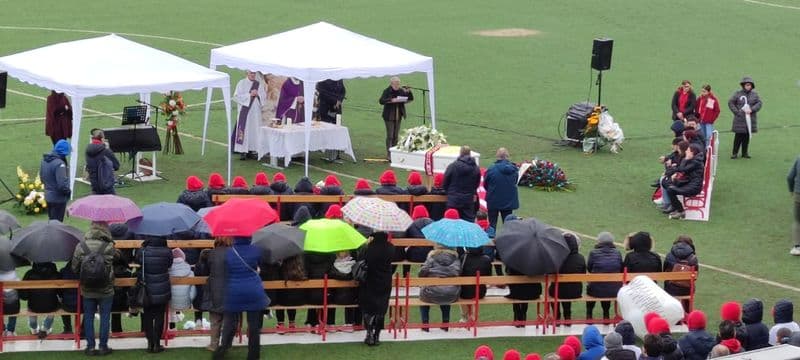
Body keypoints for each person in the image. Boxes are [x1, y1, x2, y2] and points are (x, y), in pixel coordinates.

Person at [214, 237, 269, 360]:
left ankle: (222, 350)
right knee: (254, 326)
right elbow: (262, 266)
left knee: (230, 324)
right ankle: (253, 356)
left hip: (234, 290)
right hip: (253, 290)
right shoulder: (256, 250)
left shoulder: (228, 252)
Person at [71, 221, 116, 356]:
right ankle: (103, 346)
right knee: (105, 317)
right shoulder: (109, 246)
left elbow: (74, 268)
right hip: (106, 288)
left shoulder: (81, 246)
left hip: (87, 288)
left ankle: (90, 347)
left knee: (89, 317)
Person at [135, 235, 173, 353]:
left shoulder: (143, 251)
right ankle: (156, 343)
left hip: (147, 287)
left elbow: (137, 261)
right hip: (162, 287)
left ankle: (150, 343)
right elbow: (169, 264)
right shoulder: (167, 251)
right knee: (159, 316)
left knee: (147, 316)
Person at [358, 231, 394, 346]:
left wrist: (367, 244)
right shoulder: (391, 248)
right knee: (381, 309)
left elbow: (361, 258)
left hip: (369, 280)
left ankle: (369, 334)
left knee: (368, 308)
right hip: (385, 281)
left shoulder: (368, 248)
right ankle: (377, 336)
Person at [197, 237, 231, 351]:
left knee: (215, 320)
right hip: (230, 288)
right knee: (228, 320)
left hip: (214, 288)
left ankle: (214, 344)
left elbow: (205, 271)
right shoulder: (233, 253)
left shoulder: (211, 254)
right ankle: (226, 344)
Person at [418, 245, 461, 332]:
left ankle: (425, 324)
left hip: (431, 293)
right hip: (451, 293)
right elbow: (459, 272)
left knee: (424, 295)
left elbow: (422, 273)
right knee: (446, 292)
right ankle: (445, 324)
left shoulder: (431, 257)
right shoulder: (456, 259)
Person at [549, 233, 586, 323]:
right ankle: (567, 316)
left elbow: (550, 274)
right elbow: (583, 274)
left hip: (557, 292)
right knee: (567, 287)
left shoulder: (556, 257)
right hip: (575, 292)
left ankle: (556, 316)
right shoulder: (580, 258)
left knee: (555, 289)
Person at [586, 231, 623, 321]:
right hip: (614, 290)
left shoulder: (593, 253)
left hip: (596, 289)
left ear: (599, 241)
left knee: (594, 286)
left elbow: (589, 269)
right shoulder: (617, 253)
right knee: (607, 286)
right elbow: (621, 269)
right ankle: (606, 314)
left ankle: (589, 314)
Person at [663, 143, 704, 219]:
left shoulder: (696, 162)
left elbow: (682, 169)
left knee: (670, 189)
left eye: (688, 150)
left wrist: (685, 159)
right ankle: (674, 206)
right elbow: (681, 169)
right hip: (688, 182)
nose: (686, 152)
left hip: (693, 187)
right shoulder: (695, 159)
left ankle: (680, 211)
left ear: (692, 152)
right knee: (666, 182)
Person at [19, 262, 59, 339]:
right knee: (56, 302)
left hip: (33, 306)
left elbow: (23, 295)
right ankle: (45, 328)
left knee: (33, 305)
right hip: (51, 306)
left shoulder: (29, 273)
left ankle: (34, 328)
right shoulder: (56, 274)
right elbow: (60, 292)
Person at [233, 71, 267, 160]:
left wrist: (258, 94)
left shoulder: (258, 84)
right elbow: (236, 97)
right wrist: (249, 95)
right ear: (246, 73)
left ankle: (252, 150)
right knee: (245, 130)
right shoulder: (241, 83)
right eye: (251, 73)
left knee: (254, 130)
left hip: (255, 111)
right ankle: (243, 151)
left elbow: (263, 97)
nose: (252, 75)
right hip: (245, 111)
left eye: (254, 73)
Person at [378, 76, 414, 158]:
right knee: (390, 136)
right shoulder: (387, 91)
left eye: (399, 83)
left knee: (395, 136)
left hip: (398, 116)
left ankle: (394, 152)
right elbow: (381, 101)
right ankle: (389, 154)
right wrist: (391, 100)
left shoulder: (401, 90)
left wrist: (409, 92)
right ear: (392, 83)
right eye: (396, 83)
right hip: (389, 116)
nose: (398, 85)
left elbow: (410, 98)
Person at [443, 146, 482, 222]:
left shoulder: (453, 166)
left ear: (460, 153)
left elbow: (445, 181)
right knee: (468, 224)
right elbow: (476, 184)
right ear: (470, 154)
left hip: (453, 200)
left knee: (451, 223)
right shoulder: (476, 168)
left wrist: (449, 192)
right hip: (468, 200)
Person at [484, 148, 520, 229]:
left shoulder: (491, 170)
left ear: (497, 156)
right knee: (508, 225)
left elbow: (485, 184)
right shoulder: (514, 170)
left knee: (492, 225)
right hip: (508, 200)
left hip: (493, 200)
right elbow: (515, 182)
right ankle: (507, 240)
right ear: (507, 156)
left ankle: (491, 240)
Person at [728, 76, 762, 159]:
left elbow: (759, 103)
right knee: (738, 137)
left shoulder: (755, 94)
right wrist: (737, 112)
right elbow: (730, 102)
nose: (748, 86)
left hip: (750, 120)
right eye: (747, 85)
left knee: (746, 137)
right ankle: (734, 153)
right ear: (743, 85)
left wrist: (752, 109)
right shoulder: (737, 93)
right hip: (739, 119)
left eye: (749, 85)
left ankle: (745, 153)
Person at [662, 235, 698, 312]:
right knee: (689, 283)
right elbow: (695, 277)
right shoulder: (693, 258)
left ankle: (671, 312)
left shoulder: (669, 255)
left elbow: (664, 272)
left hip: (670, 289)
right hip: (687, 290)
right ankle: (687, 312)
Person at [40, 139, 71, 221]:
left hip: (48, 196)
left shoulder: (44, 161)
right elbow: (62, 185)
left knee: (52, 222)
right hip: (58, 199)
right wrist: (68, 192)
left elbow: (42, 178)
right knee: (57, 225)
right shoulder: (59, 164)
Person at [459, 246, 492, 323]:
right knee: (475, 293)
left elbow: (460, 273)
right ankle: (474, 317)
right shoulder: (487, 259)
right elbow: (488, 276)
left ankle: (464, 317)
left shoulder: (464, 257)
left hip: (464, 292)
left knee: (463, 294)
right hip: (480, 292)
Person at [275, 254, 307, 333]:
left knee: (280, 296)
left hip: (283, 301)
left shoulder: (280, 268)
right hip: (298, 300)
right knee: (291, 294)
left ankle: (281, 324)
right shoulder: (299, 268)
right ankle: (292, 323)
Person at [316, 79, 346, 162]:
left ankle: (335, 152)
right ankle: (328, 151)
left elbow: (343, 91)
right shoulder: (323, 79)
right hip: (326, 108)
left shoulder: (339, 79)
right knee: (327, 130)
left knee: (337, 129)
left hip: (337, 108)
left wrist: (339, 100)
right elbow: (322, 92)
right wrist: (334, 101)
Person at [328, 250, 358, 329]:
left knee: (330, 296)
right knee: (351, 294)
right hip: (350, 299)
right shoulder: (354, 265)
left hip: (335, 298)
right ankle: (349, 323)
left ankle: (331, 323)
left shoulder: (332, 266)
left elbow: (331, 274)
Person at [85, 129, 120, 195]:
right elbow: (116, 166)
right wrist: (108, 149)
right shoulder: (105, 151)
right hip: (106, 185)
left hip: (94, 184)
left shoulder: (88, 150)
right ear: (102, 139)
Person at [168, 248, 195, 330]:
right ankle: (172, 327)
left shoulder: (167, 271)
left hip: (170, 304)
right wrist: (191, 301)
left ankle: (170, 328)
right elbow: (193, 291)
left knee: (169, 303)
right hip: (186, 303)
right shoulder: (190, 272)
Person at [110, 249, 132, 334]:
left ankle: (116, 331)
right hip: (124, 304)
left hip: (110, 304)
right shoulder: (127, 273)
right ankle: (144, 330)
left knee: (113, 298)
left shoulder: (106, 272)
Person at [57, 261, 79, 335]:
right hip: (83, 305)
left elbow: (59, 291)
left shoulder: (63, 271)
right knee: (90, 304)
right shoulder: (85, 270)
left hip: (68, 305)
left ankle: (68, 329)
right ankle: (83, 329)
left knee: (61, 302)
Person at [788, 155, 800, 255]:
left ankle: (797, 247)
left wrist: (791, 190)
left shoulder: (799, 158)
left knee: (797, 220)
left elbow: (790, 177)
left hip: (798, 194)